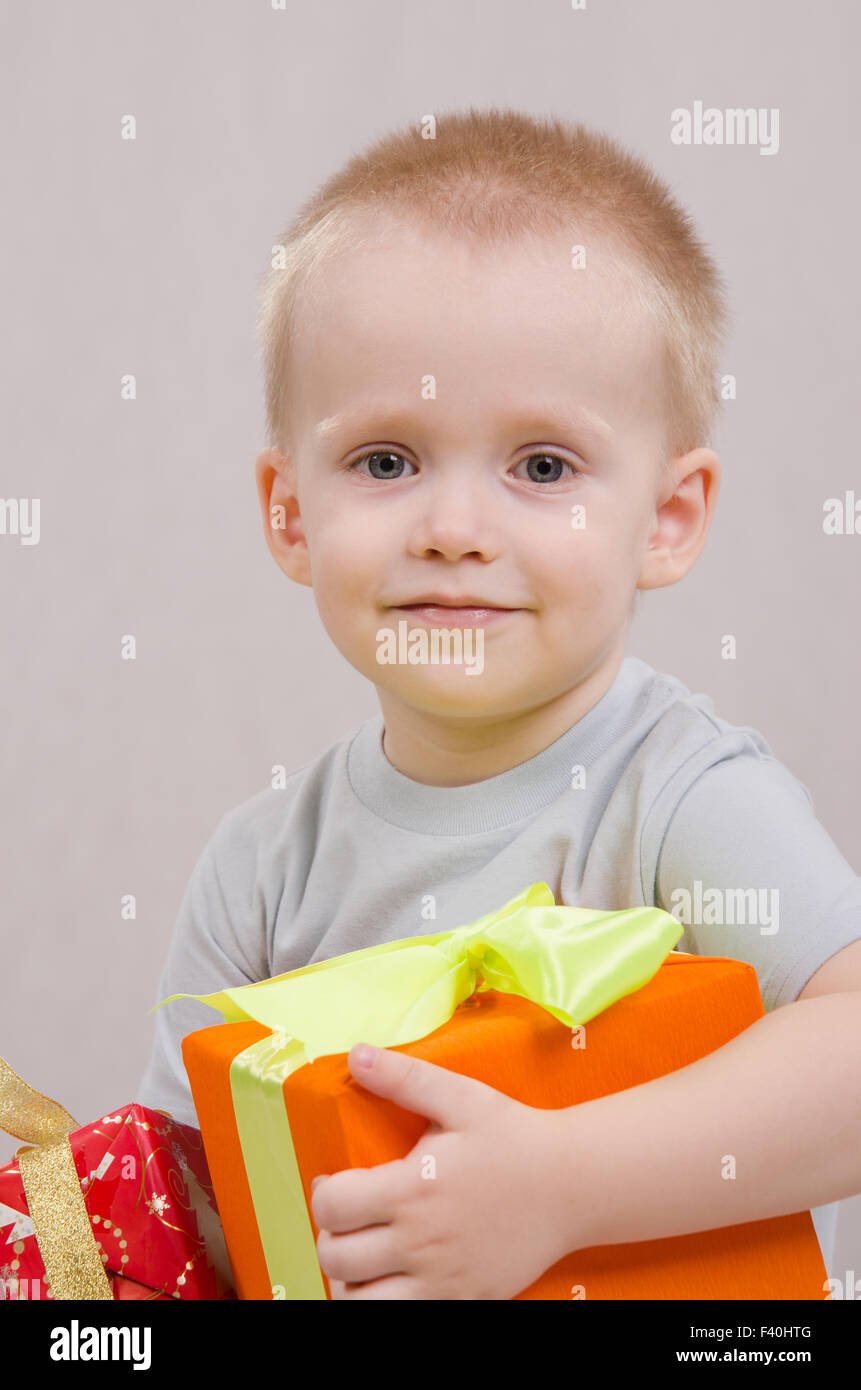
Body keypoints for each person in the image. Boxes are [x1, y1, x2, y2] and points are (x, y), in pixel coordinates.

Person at [137, 108, 861, 1299]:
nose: (455, 532)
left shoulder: (680, 796)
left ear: (667, 520)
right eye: (386, 460)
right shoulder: (260, 869)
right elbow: (198, 1206)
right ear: (289, 515)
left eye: (541, 467)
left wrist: (561, 1185)